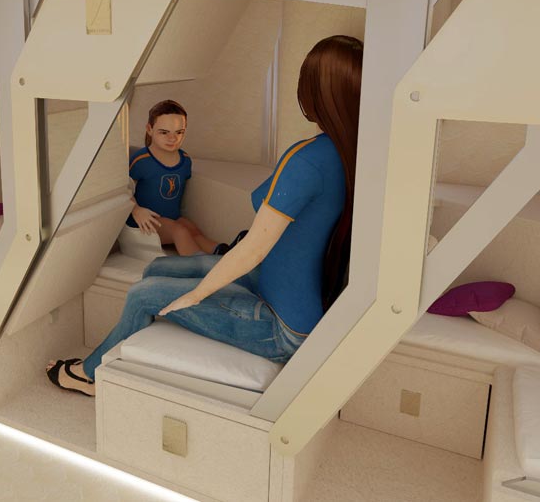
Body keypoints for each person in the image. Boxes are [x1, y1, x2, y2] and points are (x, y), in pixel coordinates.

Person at [47, 35, 362, 396]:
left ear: (312, 94)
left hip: (283, 327)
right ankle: (127, 349)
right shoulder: (343, 154)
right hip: (269, 283)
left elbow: (254, 248)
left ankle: (90, 376)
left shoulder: (307, 160)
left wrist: (193, 297)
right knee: (156, 269)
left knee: (144, 294)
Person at [127, 100, 224, 257]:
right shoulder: (141, 161)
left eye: (179, 132)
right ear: (149, 129)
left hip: (172, 218)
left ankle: (224, 252)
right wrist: (136, 210)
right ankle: (198, 265)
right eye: (164, 132)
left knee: (191, 229)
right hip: (145, 221)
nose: (173, 138)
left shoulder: (185, 160)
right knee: (180, 231)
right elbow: (123, 189)